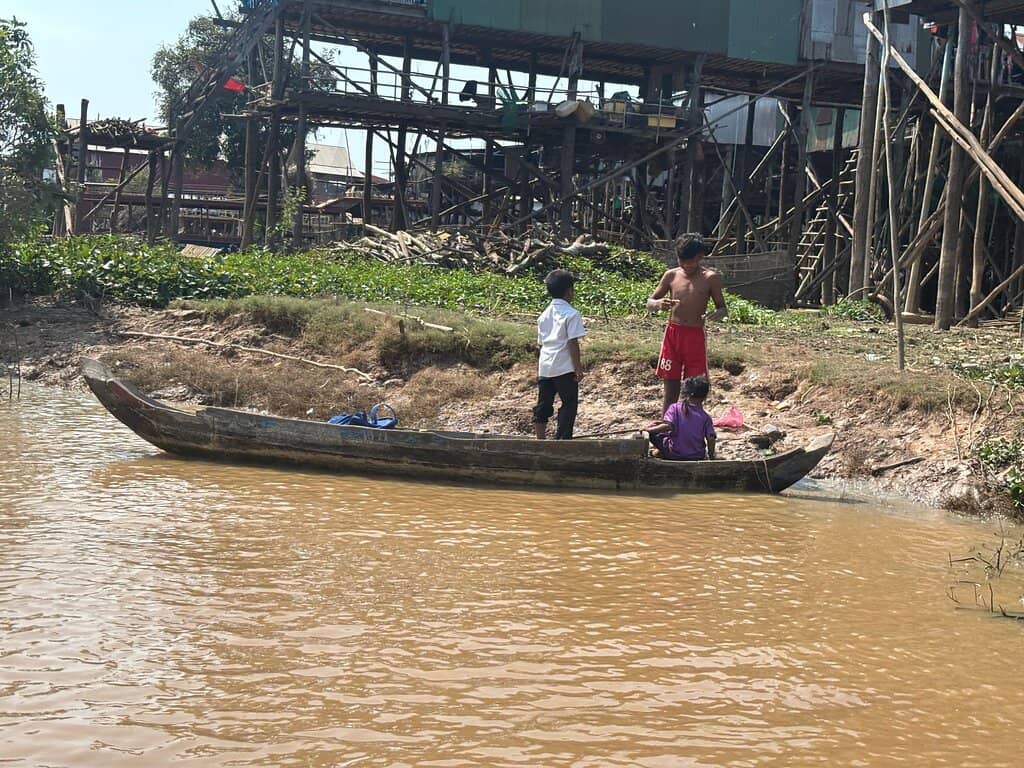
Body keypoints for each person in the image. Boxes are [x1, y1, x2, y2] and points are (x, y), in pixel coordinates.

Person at [647, 233, 727, 416]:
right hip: (673, 334)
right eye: (682, 261)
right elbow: (650, 302)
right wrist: (658, 304)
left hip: (695, 335)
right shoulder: (671, 275)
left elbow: (722, 307)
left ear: (700, 257)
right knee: (670, 385)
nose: (686, 265)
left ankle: (693, 423)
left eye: (690, 261)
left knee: (695, 386)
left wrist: (717, 314)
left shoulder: (710, 278)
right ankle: (667, 423)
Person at [532, 269, 586, 440]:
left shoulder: (543, 316)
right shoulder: (571, 314)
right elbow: (572, 343)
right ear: (569, 291)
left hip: (545, 367)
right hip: (564, 367)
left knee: (543, 404)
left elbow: (541, 343)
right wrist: (577, 368)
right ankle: (562, 440)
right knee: (569, 403)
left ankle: (540, 440)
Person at [646, 375, 717, 461]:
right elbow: (711, 439)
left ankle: (659, 452)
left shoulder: (675, 408)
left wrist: (648, 430)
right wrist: (711, 456)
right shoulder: (705, 417)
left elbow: (667, 426)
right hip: (697, 456)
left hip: (674, 453)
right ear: (704, 397)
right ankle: (659, 452)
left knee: (654, 431)